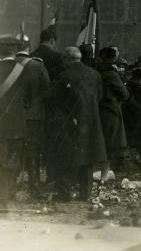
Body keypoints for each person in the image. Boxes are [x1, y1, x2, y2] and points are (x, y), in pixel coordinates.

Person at [45, 47, 107, 201]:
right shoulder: (95, 75)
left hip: (69, 122)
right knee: (87, 158)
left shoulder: (65, 76)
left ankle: (64, 194)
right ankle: (85, 193)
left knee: (65, 157)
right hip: (91, 122)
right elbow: (100, 97)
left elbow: (50, 97)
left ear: (67, 59)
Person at [0, 34, 35, 206]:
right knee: (13, 161)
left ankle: (0, 197)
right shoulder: (26, 71)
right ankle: (7, 193)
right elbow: (29, 98)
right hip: (18, 124)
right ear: (14, 50)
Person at [16, 35, 51, 196]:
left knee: (12, 148)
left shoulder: (6, 65)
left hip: (11, 116)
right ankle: (34, 186)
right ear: (29, 48)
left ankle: (9, 185)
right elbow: (47, 90)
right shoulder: (37, 66)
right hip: (34, 115)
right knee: (33, 150)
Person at [97, 47, 129, 177]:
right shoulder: (112, 74)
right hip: (110, 111)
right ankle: (104, 175)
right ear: (112, 59)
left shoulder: (95, 71)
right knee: (109, 145)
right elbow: (125, 94)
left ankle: (97, 173)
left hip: (96, 110)